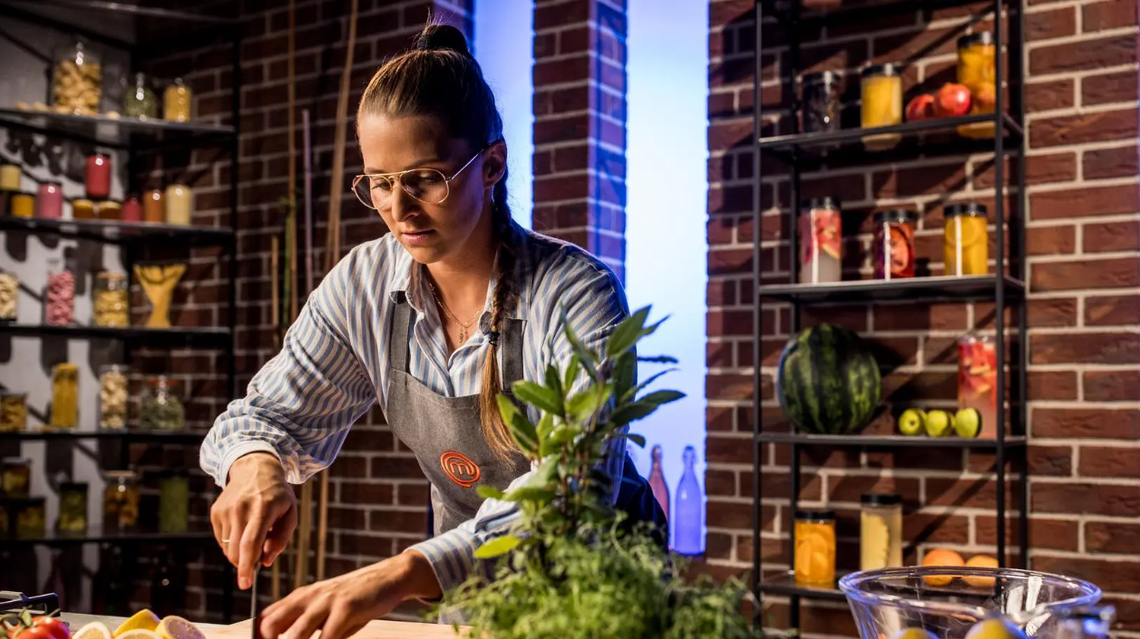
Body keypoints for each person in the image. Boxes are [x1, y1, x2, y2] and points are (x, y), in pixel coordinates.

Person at [199, 22, 666, 639]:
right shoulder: (366, 284)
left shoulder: (575, 292)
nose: (399, 208)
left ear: (491, 164)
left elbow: (573, 494)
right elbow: (261, 416)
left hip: (605, 605)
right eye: (381, 184)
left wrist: (402, 571)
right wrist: (256, 465)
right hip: (478, 610)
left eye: (425, 178)